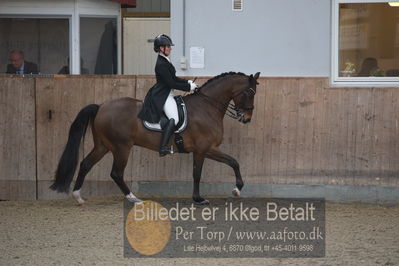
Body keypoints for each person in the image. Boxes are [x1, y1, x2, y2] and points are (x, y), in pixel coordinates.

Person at [138, 34, 198, 156]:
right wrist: (188, 87)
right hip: (163, 95)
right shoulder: (161, 64)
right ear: (161, 48)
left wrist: (187, 82)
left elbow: (174, 78)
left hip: (167, 93)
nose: (170, 48)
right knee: (174, 119)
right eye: (168, 46)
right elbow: (170, 82)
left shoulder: (165, 60)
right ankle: (163, 147)